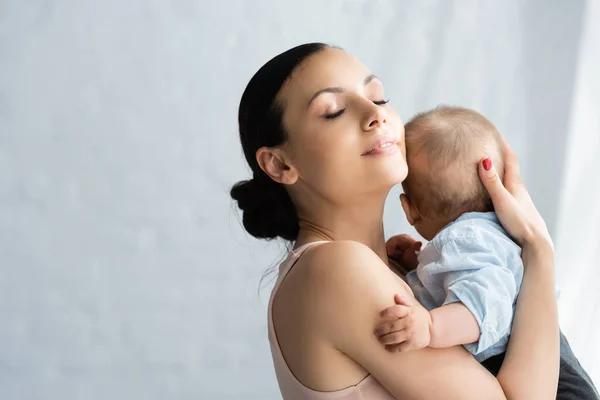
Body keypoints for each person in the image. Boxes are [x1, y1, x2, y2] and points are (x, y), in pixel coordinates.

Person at [230, 43, 598, 399]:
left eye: (378, 97)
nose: (376, 114)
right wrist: (537, 249)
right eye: (333, 111)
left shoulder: (393, 268)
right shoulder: (335, 269)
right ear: (280, 165)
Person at [374, 106, 525, 362]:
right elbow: (465, 279)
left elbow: (484, 305)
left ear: (410, 210)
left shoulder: (465, 241)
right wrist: (419, 265)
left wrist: (431, 327)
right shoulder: (485, 236)